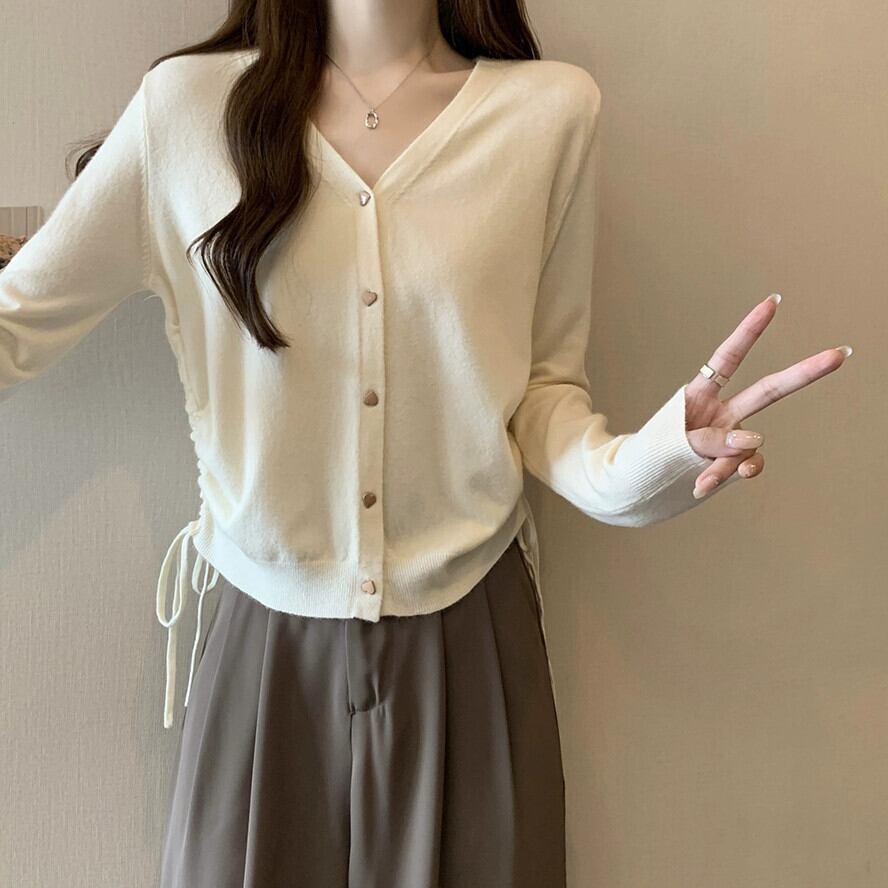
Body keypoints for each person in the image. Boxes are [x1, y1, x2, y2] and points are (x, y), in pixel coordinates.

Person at [0, 1, 851, 885]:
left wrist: (651, 466)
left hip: (475, 639)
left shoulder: (549, 113)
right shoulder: (185, 110)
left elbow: (543, 393)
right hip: (263, 650)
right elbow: (16, 324)